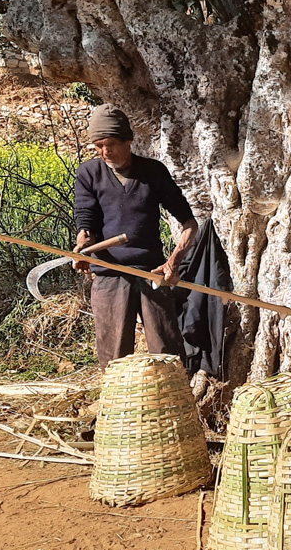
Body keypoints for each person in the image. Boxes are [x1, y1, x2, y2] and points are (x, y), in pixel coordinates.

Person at [73, 104, 198, 369]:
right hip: (109, 273)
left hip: (151, 272)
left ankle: (174, 405)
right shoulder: (89, 173)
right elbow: (86, 219)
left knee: (168, 352)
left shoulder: (153, 172)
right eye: (98, 146)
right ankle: (116, 407)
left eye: (112, 144)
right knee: (113, 356)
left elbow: (189, 223)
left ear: (129, 140)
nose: (106, 152)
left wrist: (173, 261)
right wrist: (82, 245)